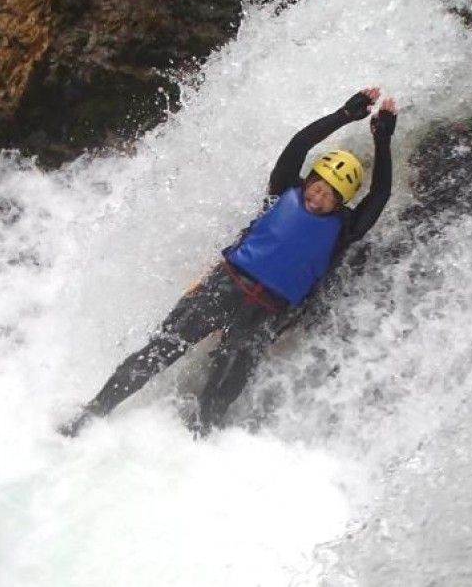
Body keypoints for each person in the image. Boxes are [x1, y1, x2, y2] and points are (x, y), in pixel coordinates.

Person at [59, 87, 398, 438]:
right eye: (316, 187)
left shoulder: (345, 229)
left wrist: (383, 140)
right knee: (160, 350)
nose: (317, 198)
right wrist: (344, 115)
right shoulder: (283, 190)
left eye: (329, 196)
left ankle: (192, 451)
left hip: (264, 314)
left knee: (220, 393)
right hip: (224, 287)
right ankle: (94, 411)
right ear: (307, 181)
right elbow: (299, 145)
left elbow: (380, 194)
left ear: (341, 202)